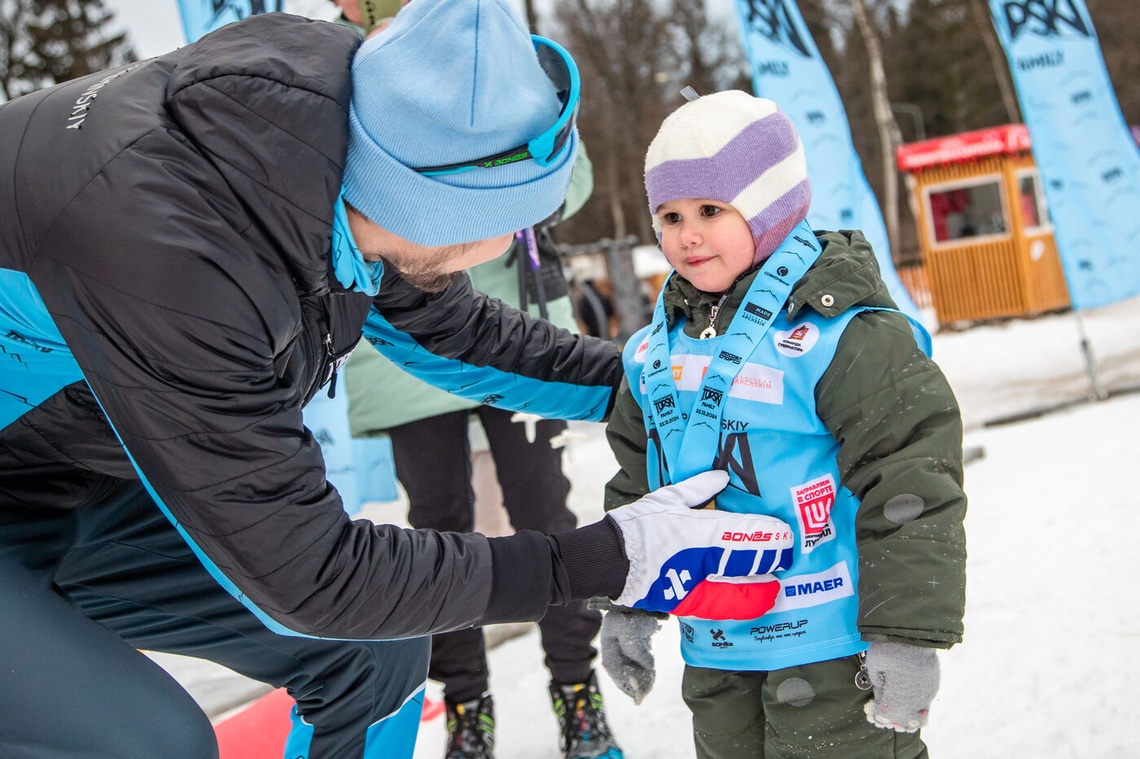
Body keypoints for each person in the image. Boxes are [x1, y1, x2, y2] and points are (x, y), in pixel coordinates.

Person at [0, 3, 815, 757]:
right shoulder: (176, 255)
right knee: (150, 742)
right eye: (501, 226)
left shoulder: (330, 155)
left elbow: (461, 334)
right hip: (36, 484)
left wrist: (668, 381)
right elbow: (312, 573)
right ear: (433, 210)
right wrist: (594, 560)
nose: (502, 253)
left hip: (67, 478)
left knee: (381, 649)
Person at [598, 90, 967, 758]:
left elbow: (911, 480)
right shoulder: (657, 350)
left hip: (834, 644)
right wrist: (629, 600)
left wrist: (908, 632)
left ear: (768, 209)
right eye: (670, 215)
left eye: (711, 210)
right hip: (717, 644)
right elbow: (640, 481)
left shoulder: (841, 335)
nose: (687, 234)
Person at [346, 145, 622, 759]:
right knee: (436, 534)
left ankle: (580, 700)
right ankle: (467, 715)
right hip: (405, 346)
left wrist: (532, 150)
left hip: (520, 332)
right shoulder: (381, 97)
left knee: (548, 519)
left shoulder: (519, 89)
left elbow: (566, 192)